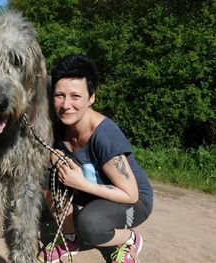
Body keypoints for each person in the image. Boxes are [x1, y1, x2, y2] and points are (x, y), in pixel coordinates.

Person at [38, 54, 153, 263]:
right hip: (93, 190)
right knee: (44, 169)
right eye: (59, 95)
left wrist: (80, 183)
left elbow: (130, 194)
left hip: (133, 199)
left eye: (75, 96)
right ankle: (69, 239)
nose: (66, 105)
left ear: (91, 98)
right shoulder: (60, 126)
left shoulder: (103, 135)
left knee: (90, 224)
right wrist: (54, 156)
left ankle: (129, 239)